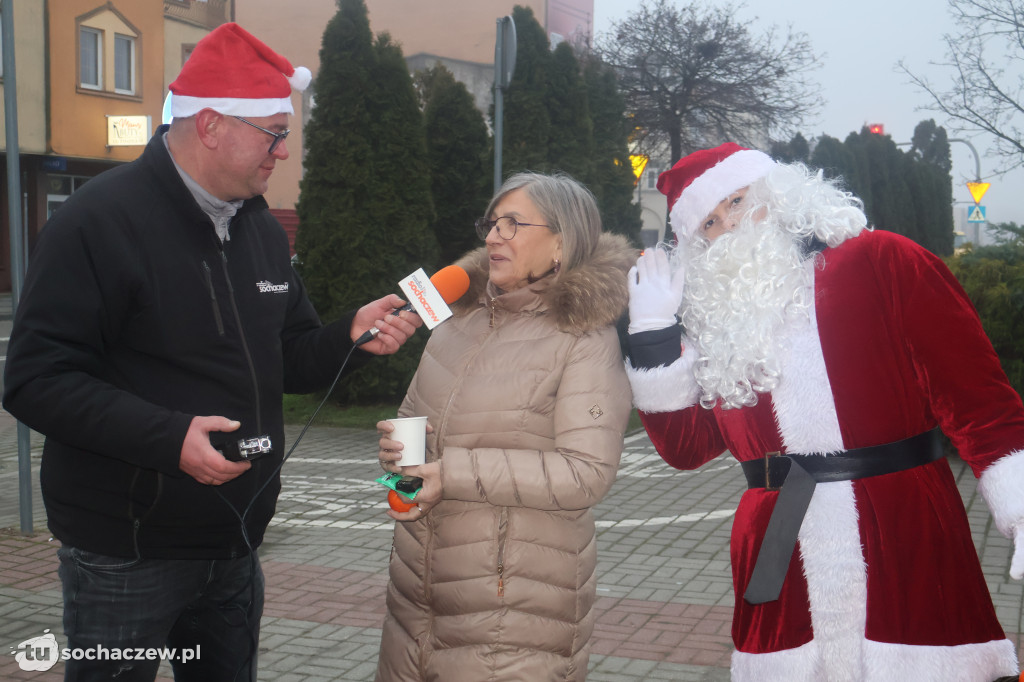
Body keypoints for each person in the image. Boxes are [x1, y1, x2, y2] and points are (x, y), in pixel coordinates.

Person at [2, 23, 421, 682]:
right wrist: (169, 438)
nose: (283, 152)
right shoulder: (98, 222)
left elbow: (291, 354)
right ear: (211, 126)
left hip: (234, 545)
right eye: (274, 133)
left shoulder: (258, 227)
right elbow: (34, 379)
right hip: (125, 553)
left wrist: (348, 338)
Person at [625, 142, 1024, 681]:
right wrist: (653, 339)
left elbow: (979, 401)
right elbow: (687, 449)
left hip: (901, 522)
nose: (728, 226)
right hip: (779, 546)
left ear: (777, 190)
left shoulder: (883, 260)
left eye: (738, 201)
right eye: (710, 224)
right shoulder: (717, 320)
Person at [373, 172, 635, 681]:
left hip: (511, 613)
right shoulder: (455, 321)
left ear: (562, 241)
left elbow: (586, 473)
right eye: (492, 223)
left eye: (513, 224)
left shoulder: (584, 339)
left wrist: (451, 473)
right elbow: (413, 417)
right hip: (415, 600)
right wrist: (399, 459)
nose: (493, 236)